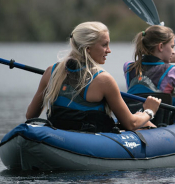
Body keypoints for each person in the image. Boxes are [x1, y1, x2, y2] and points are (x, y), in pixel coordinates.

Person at [26, 21, 162, 133]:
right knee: (145, 121)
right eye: (104, 45)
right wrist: (149, 111)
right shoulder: (103, 80)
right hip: (87, 143)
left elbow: (30, 116)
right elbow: (131, 124)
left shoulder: (51, 72)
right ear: (88, 48)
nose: (109, 50)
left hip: (58, 136)